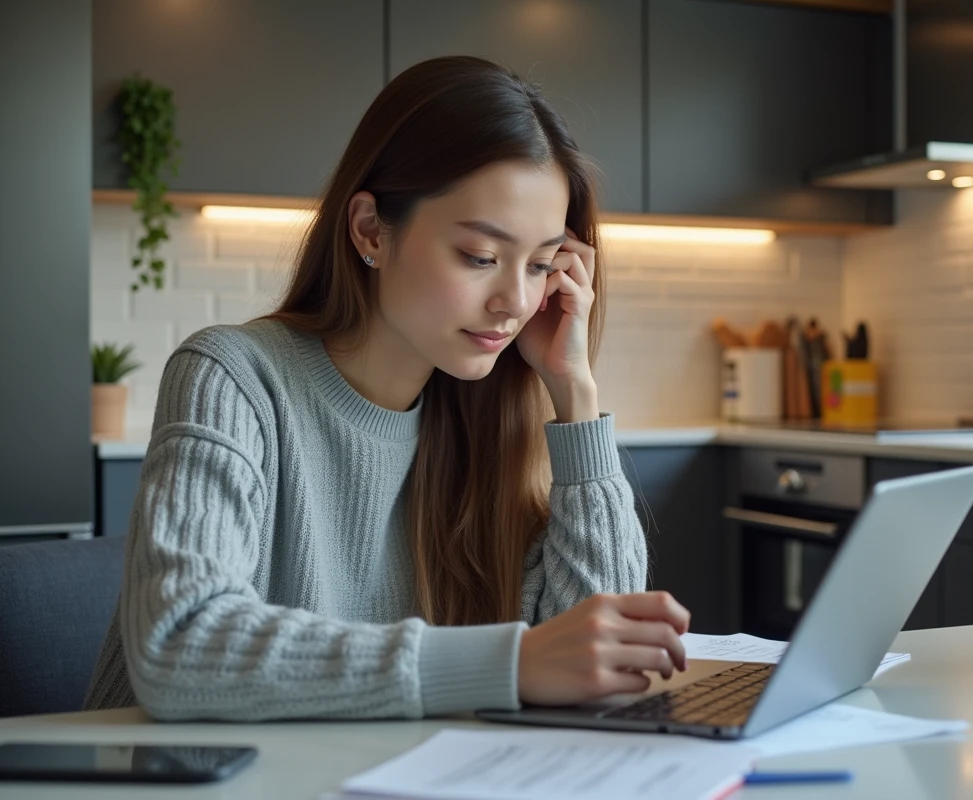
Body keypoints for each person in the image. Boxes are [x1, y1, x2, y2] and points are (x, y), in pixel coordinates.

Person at [84, 56, 691, 721]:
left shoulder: (483, 424)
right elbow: (181, 644)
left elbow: (596, 659)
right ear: (371, 229)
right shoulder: (231, 378)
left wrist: (574, 392)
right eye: (481, 257)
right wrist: (509, 663)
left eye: (541, 265)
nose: (516, 302)